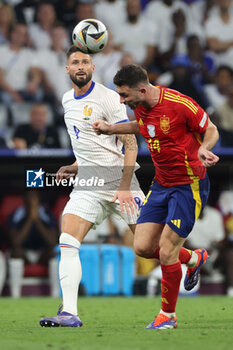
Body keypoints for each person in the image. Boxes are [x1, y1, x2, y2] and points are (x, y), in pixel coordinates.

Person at [93, 64, 219, 329]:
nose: (121, 101)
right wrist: (109, 129)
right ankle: (194, 258)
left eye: (124, 95)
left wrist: (204, 149)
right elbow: (141, 126)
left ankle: (168, 316)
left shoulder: (180, 103)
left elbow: (211, 129)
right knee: (142, 247)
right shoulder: (140, 107)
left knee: (167, 252)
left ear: (141, 89)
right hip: (161, 185)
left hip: (188, 185)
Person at [39, 46, 145, 328]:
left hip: (120, 179)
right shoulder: (66, 101)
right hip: (88, 181)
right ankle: (69, 313)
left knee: (149, 247)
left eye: (86, 61)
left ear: (93, 67)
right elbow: (87, 143)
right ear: (67, 69)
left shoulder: (109, 97)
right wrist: (76, 165)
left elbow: (130, 143)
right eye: (75, 62)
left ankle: (191, 258)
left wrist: (124, 186)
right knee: (67, 241)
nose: (81, 65)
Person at [7, 190, 59, 298]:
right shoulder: (16, 214)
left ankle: (55, 295)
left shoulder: (47, 214)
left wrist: (37, 219)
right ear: (24, 200)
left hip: (41, 252)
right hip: (24, 252)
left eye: (34, 198)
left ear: (39, 200)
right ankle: (15, 296)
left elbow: (52, 242)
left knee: (54, 254)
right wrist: (30, 219)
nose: (32, 201)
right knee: (16, 252)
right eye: (29, 198)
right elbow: (15, 242)